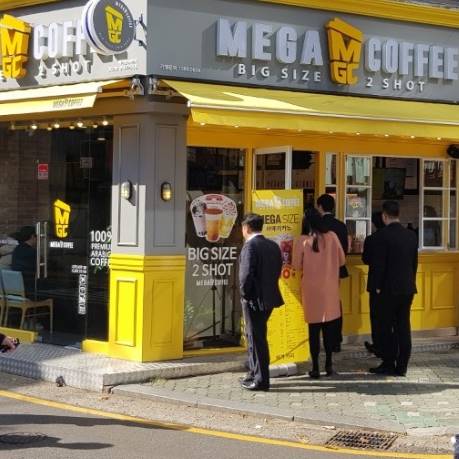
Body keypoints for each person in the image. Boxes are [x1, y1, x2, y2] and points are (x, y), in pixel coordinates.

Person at [293, 213, 345, 378]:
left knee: (313, 330)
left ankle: (315, 367)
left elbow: (296, 265)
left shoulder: (302, 241)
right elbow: (342, 260)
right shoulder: (332, 237)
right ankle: (329, 365)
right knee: (329, 330)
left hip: (311, 291)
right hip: (330, 289)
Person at [370, 200, 418, 376]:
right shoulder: (411, 236)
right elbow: (414, 263)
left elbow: (379, 265)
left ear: (384, 216)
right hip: (407, 288)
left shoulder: (382, 236)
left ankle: (388, 363)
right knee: (403, 326)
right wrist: (411, 281)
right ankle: (402, 365)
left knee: (386, 327)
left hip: (387, 289)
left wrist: (377, 286)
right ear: (398, 214)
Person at [238, 213, 284, 391]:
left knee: (256, 339)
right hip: (269, 297)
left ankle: (261, 380)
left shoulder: (250, 246)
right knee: (255, 336)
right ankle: (253, 372)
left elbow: (245, 276)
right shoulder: (273, 245)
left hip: (254, 299)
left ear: (246, 228)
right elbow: (278, 269)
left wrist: (244, 294)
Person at [316, 194, 349, 352]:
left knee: (318, 304)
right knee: (335, 304)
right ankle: (336, 339)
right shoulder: (341, 226)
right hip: (336, 270)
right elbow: (345, 249)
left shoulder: (317, 225)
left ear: (320, 207)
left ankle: (317, 339)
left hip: (318, 271)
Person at [362, 211, 385, 357]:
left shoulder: (371, 239)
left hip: (375, 281)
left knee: (376, 316)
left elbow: (366, 259)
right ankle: (388, 345)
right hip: (392, 284)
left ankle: (378, 345)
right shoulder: (395, 237)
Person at [11, 226, 37, 298]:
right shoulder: (31, 252)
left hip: (17, 287)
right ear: (32, 236)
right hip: (29, 288)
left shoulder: (17, 249)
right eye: (37, 236)